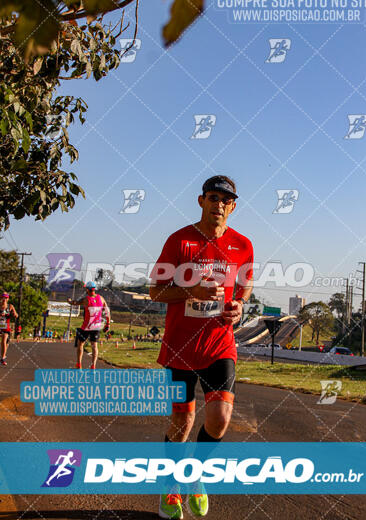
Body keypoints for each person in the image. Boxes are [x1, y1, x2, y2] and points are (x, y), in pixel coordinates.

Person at [150, 176, 253, 519]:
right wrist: (191, 292)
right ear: (201, 201)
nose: (219, 205)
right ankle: (171, 487)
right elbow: (156, 292)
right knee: (183, 419)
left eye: (226, 200)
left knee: (220, 418)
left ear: (233, 206)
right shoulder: (179, 241)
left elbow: (244, 287)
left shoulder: (243, 245)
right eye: (213, 197)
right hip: (180, 346)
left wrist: (240, 306)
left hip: (219, 344)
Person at [68, 281, 110, 369]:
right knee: (94, 345)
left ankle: (79, 364)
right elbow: (107, 312)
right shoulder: (101, 298)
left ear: (87, 289)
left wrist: (69, 301)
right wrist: (108, 324)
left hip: (87, 326)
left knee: (81, 343)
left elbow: (75, 303)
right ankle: (93, 365)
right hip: (97, 326)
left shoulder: (86, 299)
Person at [0, 293, 18, 366]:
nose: (4, 299)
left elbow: (16, 315)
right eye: (3, 297)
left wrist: (14, 314)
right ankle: (3, 358)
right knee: (3, 341)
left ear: (8, 299)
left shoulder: (10, 306)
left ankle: (2, 358)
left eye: (6, 298)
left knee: (5, 342)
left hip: (6, 327)